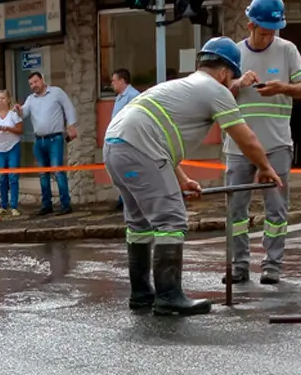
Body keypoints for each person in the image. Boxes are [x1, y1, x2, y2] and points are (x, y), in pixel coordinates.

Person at [104, 36, 282, 316]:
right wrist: (264, 167)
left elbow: (159, 140)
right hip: (139, 148)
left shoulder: (178, 86)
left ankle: (141, 295)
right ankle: (169, 296)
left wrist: (182, 178)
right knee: (171, 219)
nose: (230, 82)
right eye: (231, 76)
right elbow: (245, 138)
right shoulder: (215, 90)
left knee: (139, 223)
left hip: (115, 146)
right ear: (224, 72)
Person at [225, 0, 301, 286]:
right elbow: (218, 93)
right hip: (239, 147)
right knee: (236, 208)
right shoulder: (234, 53)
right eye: (264, 31)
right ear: (251, 24)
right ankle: (238, 265)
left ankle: (272, 265)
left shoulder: (288, 50)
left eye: (274, 31)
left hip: (276, 145)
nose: (269, 37)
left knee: (276, 208)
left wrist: (283, 88)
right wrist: (238, 83)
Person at [20, 71, 78, 215]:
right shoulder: (30, 99)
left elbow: (68, 107)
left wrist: (71, 125)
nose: (33, 85)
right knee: (42, 174)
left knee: (58, 172)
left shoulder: (56, 92)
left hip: (55, 139)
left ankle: (65, 204)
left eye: (35, 82)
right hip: (39, 141)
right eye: (31, 84)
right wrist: (17, 111)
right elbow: (23, 113)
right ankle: (47, 205)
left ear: (42, 80)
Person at [0, 90, 24, 215]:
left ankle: (14, 206)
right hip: (0, 150)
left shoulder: (13, 115)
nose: (0, 101)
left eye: (3, 98)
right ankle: (3, 205)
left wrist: (8, 128)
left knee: (13, 177)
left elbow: (20, 130)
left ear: (8, 100)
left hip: (13, 147)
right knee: (2, 178)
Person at [110, 70, 141, 211]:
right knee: (122, 172)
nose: (112, 84)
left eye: (114, 81)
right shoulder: (119, 97)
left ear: (122, 81)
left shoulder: (133, 96)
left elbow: (135, 118)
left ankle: (130, 199)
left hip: (127, 140)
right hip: (117, 139)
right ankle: (124, 198)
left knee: (130, 171)